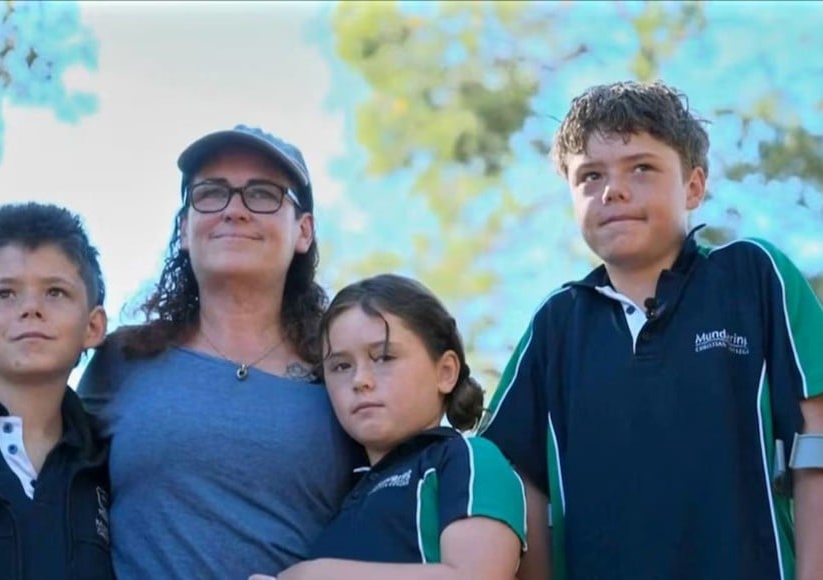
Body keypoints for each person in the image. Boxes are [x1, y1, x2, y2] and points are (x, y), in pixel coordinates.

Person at [480, 80, 823, 580]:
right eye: (590, 176)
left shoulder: (754, 277)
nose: (612, 190)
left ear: (694, 186)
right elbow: (514, 476)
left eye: (641, 167)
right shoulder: (555, 325)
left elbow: (817, 434)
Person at [77, 124, 362, 579]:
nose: (235, 210)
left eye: (263, 193)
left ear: (303, 231)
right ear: (185, 227)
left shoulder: (344, 375)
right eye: (211, 193)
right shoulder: (122, 360)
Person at [251, 273, 527, 580]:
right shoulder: (341, 495)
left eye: (384, 357)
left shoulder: (469, 458)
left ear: (446, 372)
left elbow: (479, 576)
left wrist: (313, 575)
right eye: (341, 366)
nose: (360, 381)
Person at [0, 203, 112, 579]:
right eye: (4, 294)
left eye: (55, 292)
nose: (30, 309)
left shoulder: (114, 465)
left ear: (93, 326)